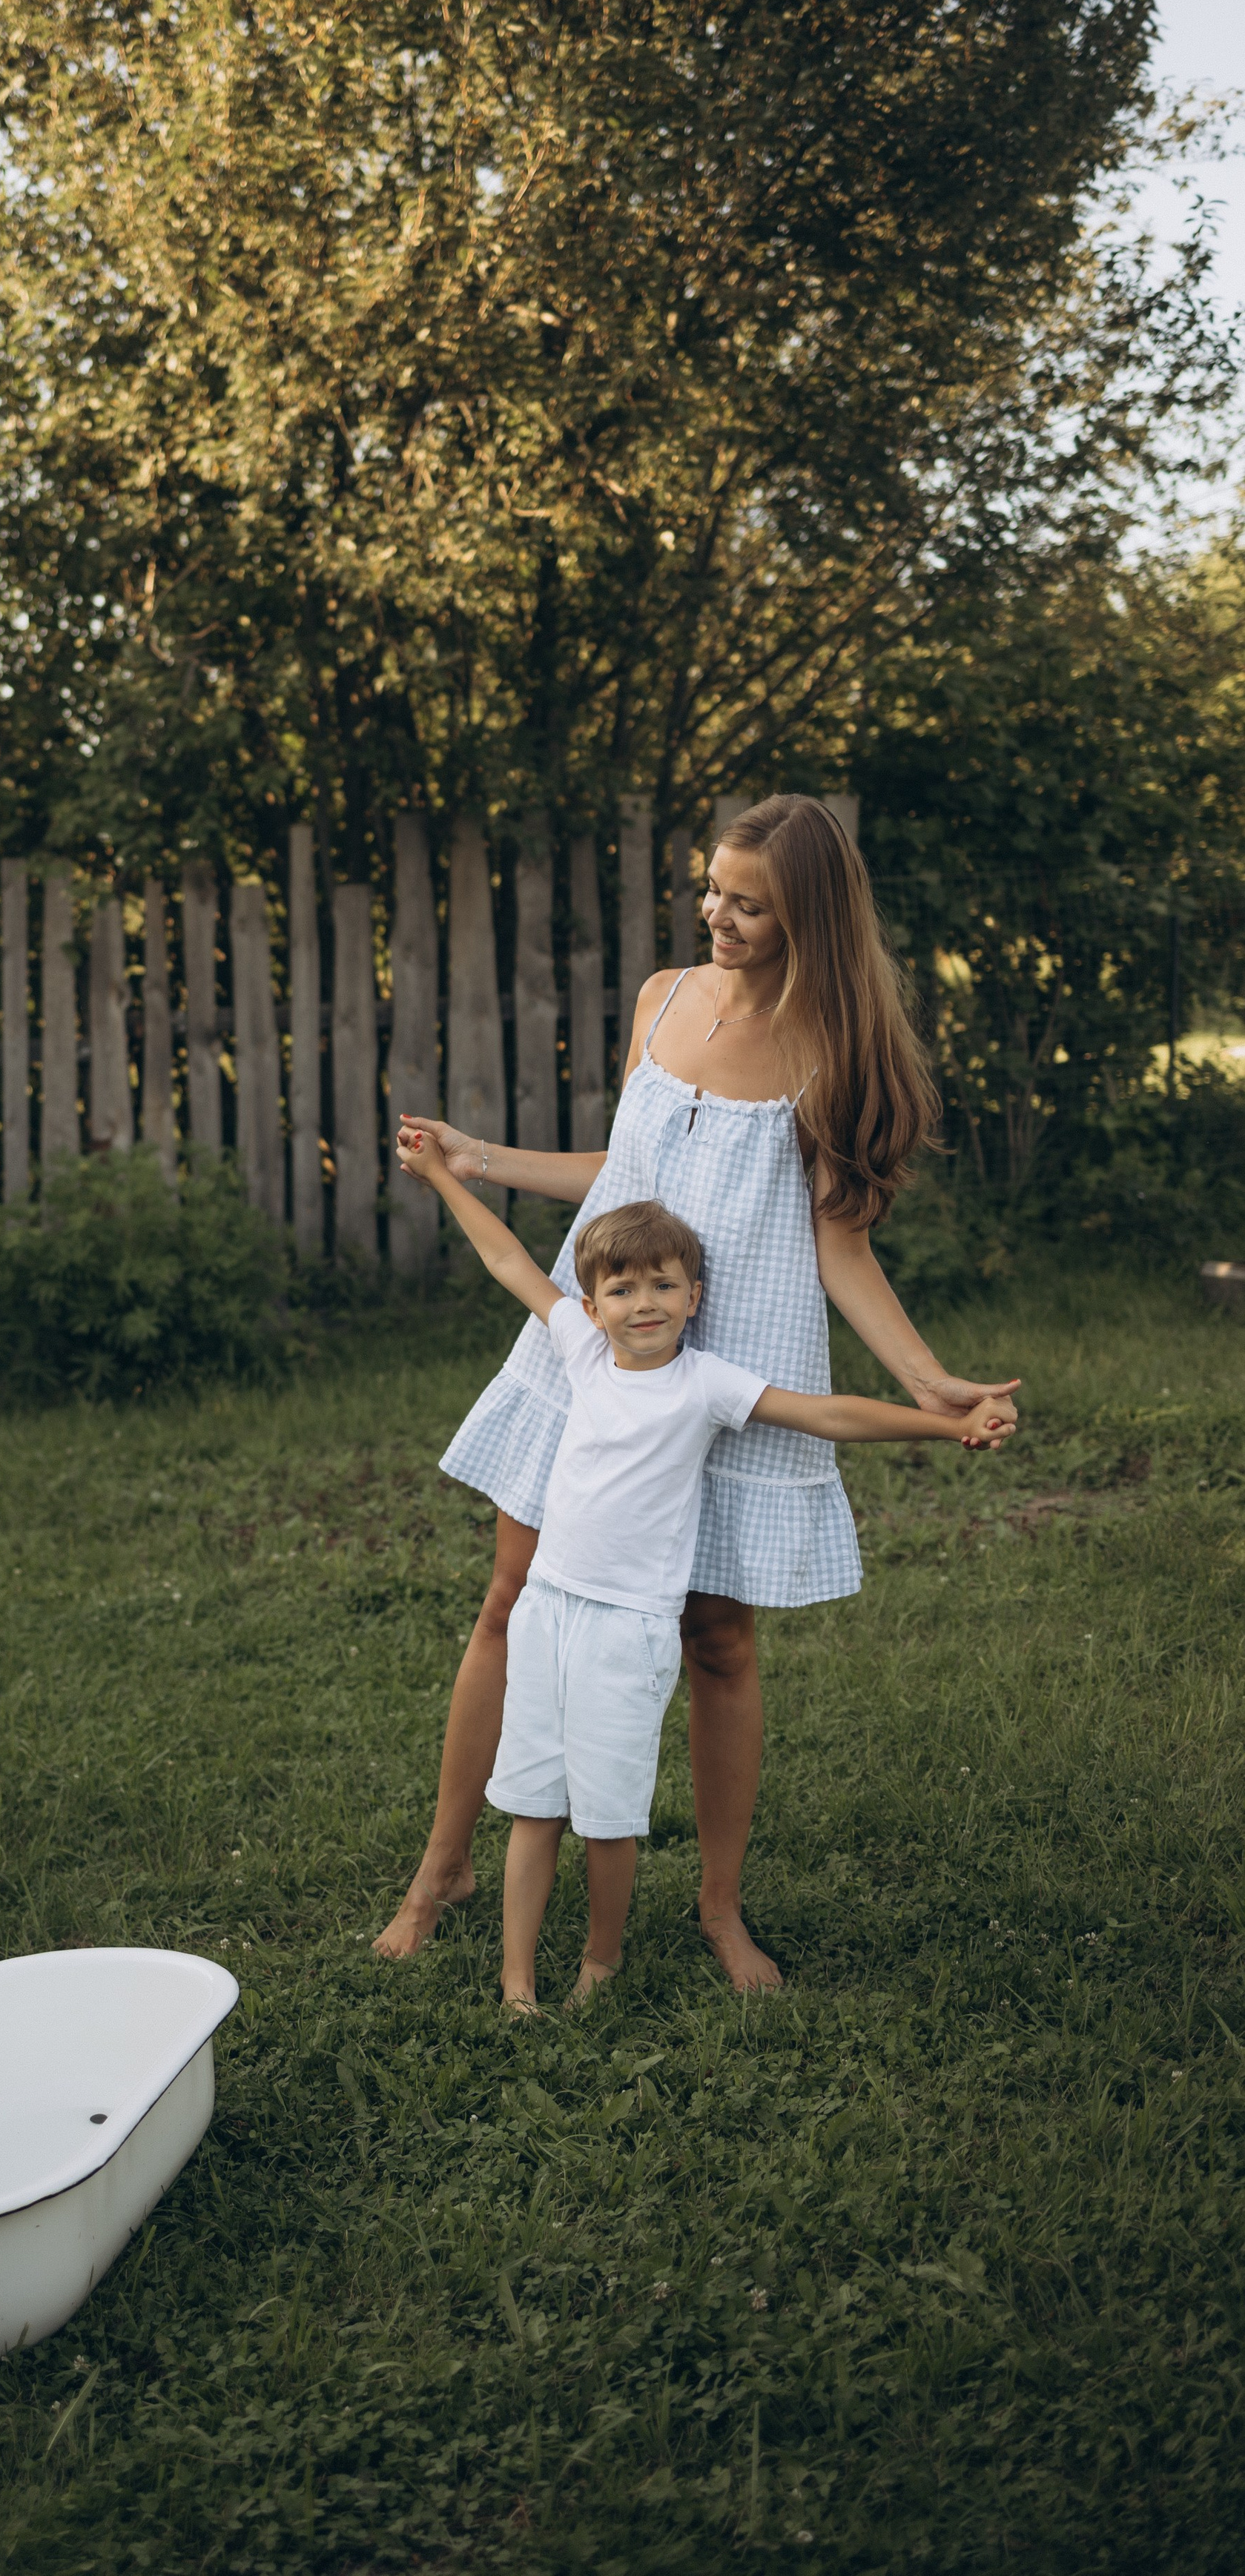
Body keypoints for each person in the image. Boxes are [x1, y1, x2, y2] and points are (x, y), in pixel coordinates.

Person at [375, 792, 1021, 1990]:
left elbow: (840, 1246)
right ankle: (443, 1868)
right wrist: (481, 1159)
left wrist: (927, 1380)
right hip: (608, 1346)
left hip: (743, 1355)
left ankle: (721, 1910)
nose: (718, 916)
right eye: (712, 891)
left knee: (718, 1640)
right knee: (513, 1594)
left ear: (811, 916)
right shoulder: (664, 999)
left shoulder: (840, 1053)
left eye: (750, 905)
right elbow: (628, 1180)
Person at [387, 1156, 1015, 2011]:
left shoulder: (705, 1386)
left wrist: (943, 1424)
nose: (641, 1304)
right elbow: (507, 1261)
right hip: (547, 1612)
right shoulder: (576, 1348)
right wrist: (446, 1179)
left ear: (694, 1298)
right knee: (533, 1806)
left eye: (661, 1286)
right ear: (592, 1303)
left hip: (630, 1632)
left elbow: (825, 1413)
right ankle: (516, 1983)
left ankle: (598, 1967)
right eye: (619, 1290)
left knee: (607, 1817)